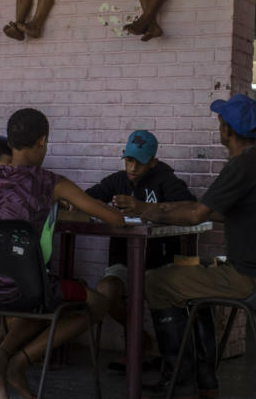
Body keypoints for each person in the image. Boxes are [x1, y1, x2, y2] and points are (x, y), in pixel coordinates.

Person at [116, 94, 256, 399]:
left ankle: (180, 383)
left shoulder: (242, 165)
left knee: (156, 282)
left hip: (249, 279)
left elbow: (198, 214)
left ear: (226, 129)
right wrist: (166, 208)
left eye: (221, 121)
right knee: (187, 283)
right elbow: (213, 210)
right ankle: (205, 382)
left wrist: (143, 208)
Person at [0, 108, 125, 399]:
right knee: (97, 303)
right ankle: (20, 362)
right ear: (42, 141)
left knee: (41, 298)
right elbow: (114, 219)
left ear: (10, 142)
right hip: (30, 289)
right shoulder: (51, 182)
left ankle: (0, 358)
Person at [84, 130, 196, 371]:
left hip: (160, 264)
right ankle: (138, 340)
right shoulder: (116, 182)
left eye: (139, 163)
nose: (132, 168)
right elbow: (87, 199)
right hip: (123, 261)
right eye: (129, 160)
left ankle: (170, 362)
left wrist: (148, 209)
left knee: (163, 293)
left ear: (153, 162)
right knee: (105, 291)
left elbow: (191, 207)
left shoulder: (166, 180)